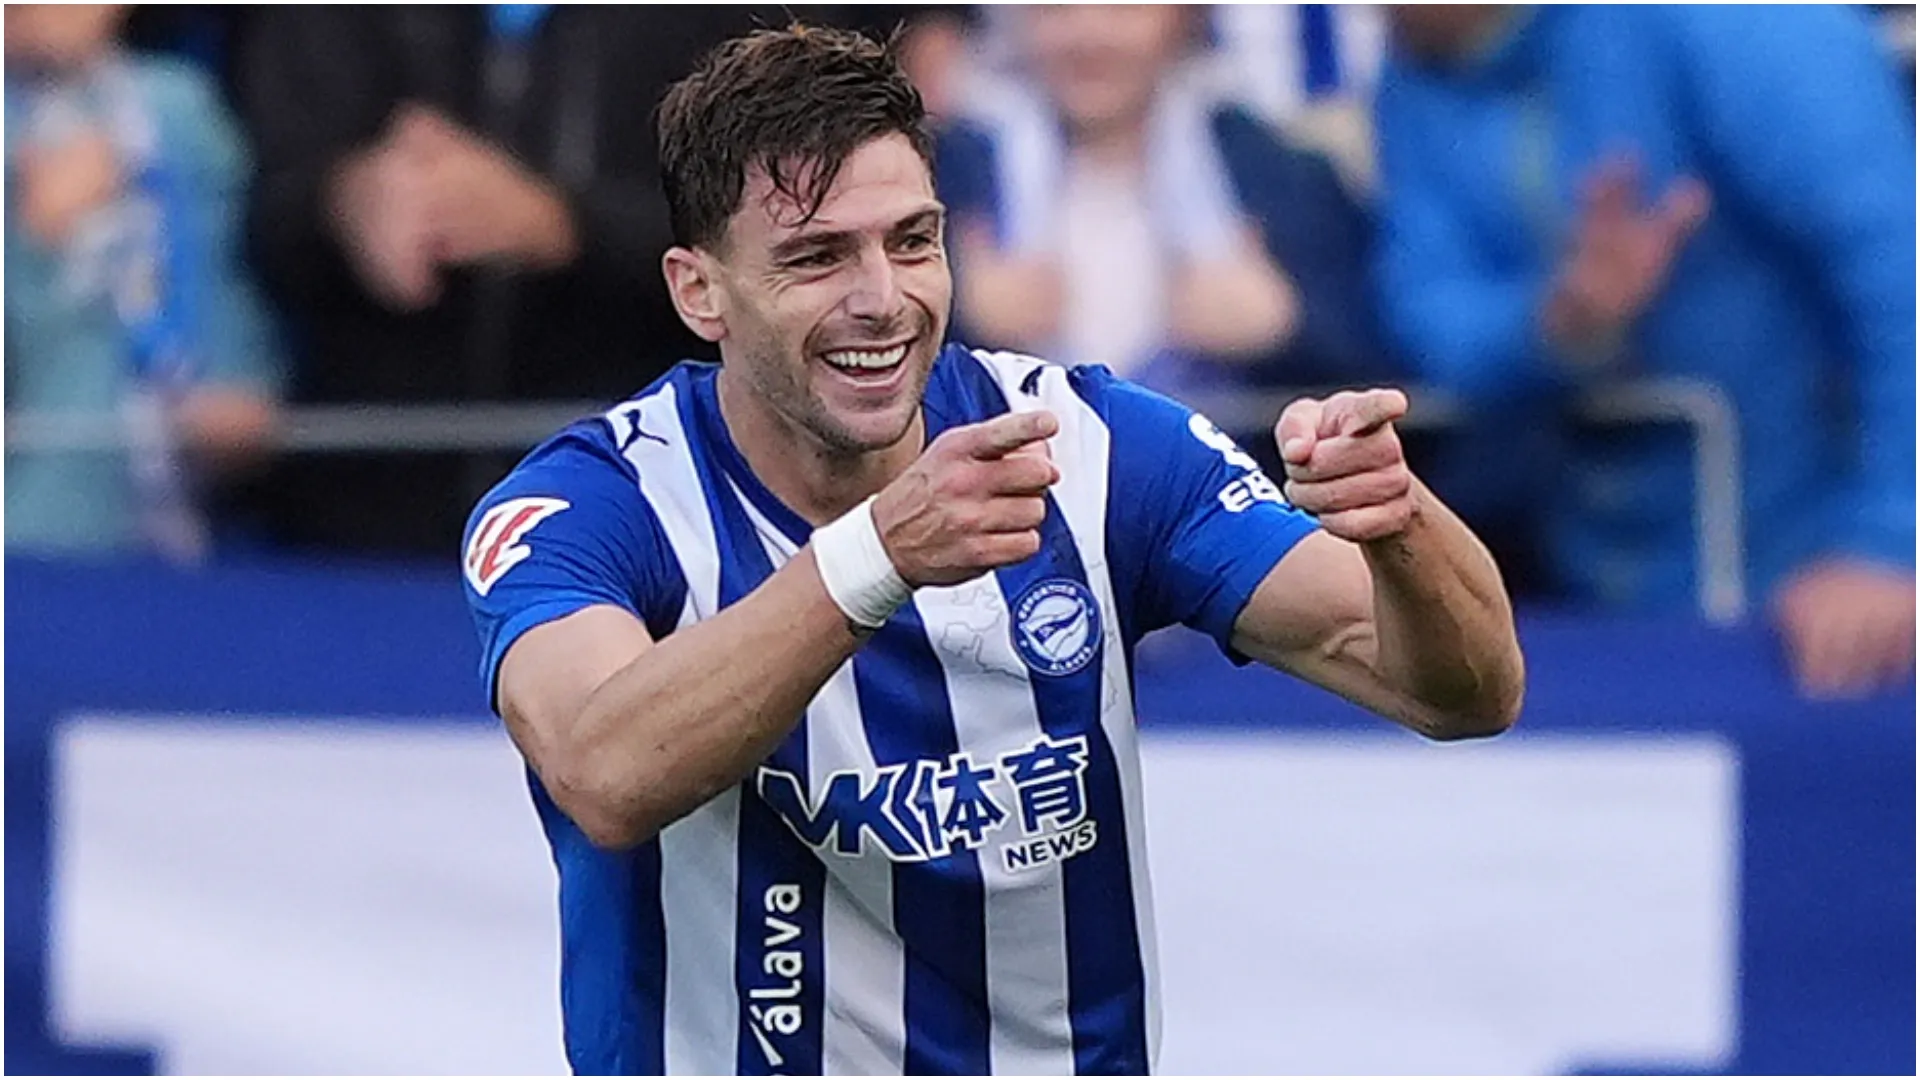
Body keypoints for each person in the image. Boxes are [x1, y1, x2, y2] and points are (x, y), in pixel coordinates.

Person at [462, 25, 1523, 1075]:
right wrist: (877, 556)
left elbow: (1465, 692)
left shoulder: (1097, 450)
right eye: (817, 256)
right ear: (701, 292)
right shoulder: (594, 504)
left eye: (913, 242)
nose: (883, 298)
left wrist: (1400, 526)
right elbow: (601, 772)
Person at [1372, 5, 1916, 698]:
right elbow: (1427, 319)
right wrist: (1561, 321)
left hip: (1825, 609)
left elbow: (1900, 264)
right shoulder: (1415, 67)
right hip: (1588, 612)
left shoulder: (1740, 22)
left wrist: (1892, 541)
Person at [935, 4, 1392, 403]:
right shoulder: (948, 170)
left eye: (1125, 8)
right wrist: (958, 313)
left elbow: (1395, 376)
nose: (1089, 34)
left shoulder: (1281, 174)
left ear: (1186, 16)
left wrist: (1285, 328)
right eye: (1056, 6)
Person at [4, 2, 282, 560]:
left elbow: (220, 268)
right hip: (27, 523)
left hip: (172, 527)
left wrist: (237, 377)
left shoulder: (175, 105)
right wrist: (27, 241)